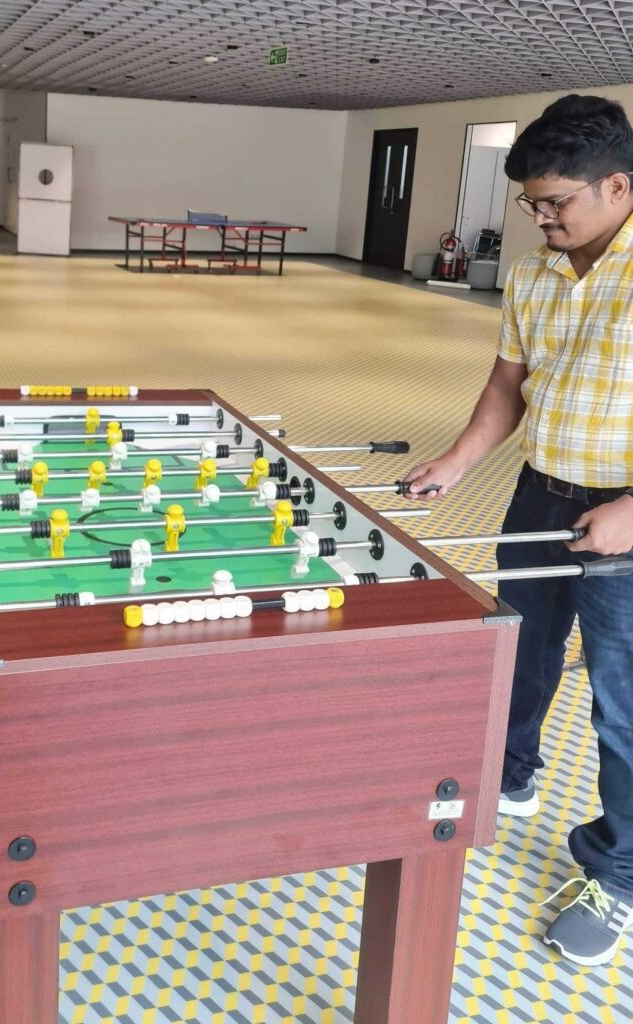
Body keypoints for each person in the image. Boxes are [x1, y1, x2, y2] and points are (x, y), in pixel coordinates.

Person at [405, 94, 633, 967]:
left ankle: (618, 872)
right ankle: (510, 771)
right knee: (517, 652)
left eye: (556, 204)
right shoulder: (538, 271)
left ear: (616, 186)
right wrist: (458, 461)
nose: (541, 219)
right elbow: (510, 384)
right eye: (532, 205)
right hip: (542, 498)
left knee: (622, 704)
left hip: (624, 518)